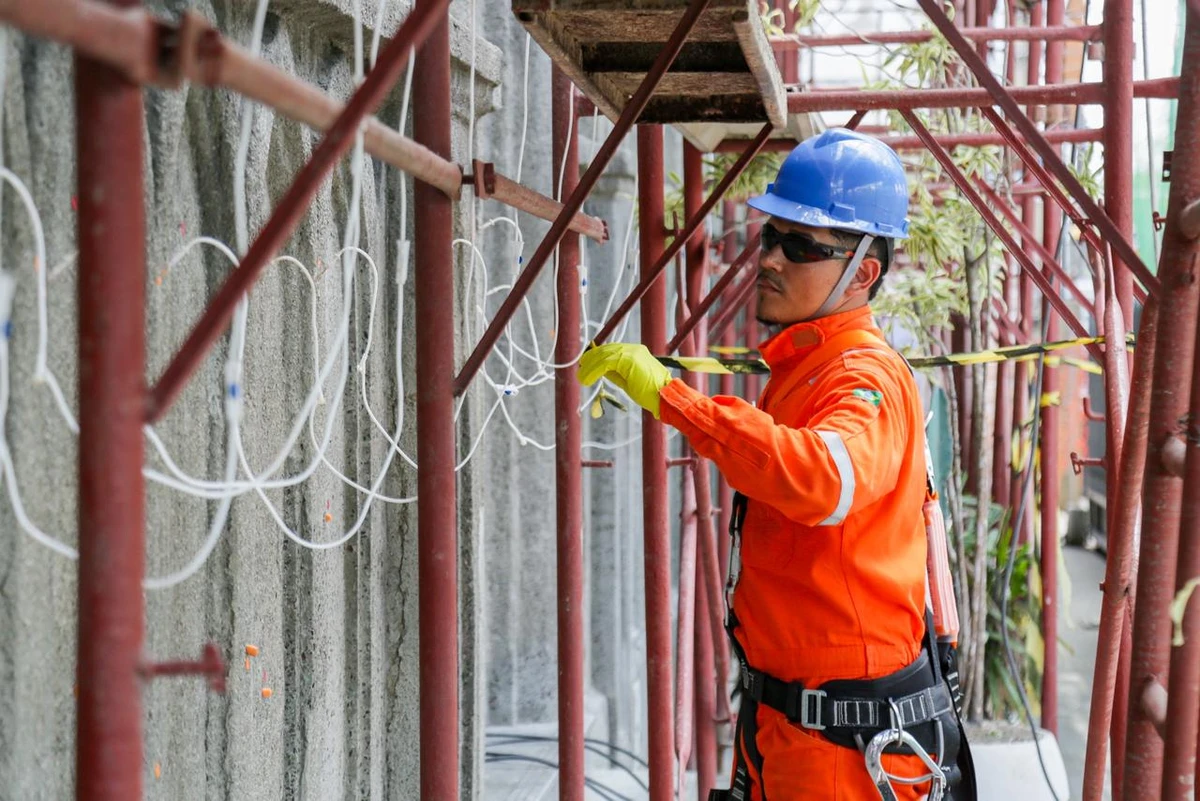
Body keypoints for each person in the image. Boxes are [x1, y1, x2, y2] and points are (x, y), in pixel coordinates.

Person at [579, 129, 973, 801]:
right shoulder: (808, 368)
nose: (771, 258)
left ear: (863, 274)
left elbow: (824, 478)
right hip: (792, 729)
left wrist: (675, 399)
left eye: (801, 246)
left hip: (842, 754)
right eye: (770, 237)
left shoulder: (863, 379)